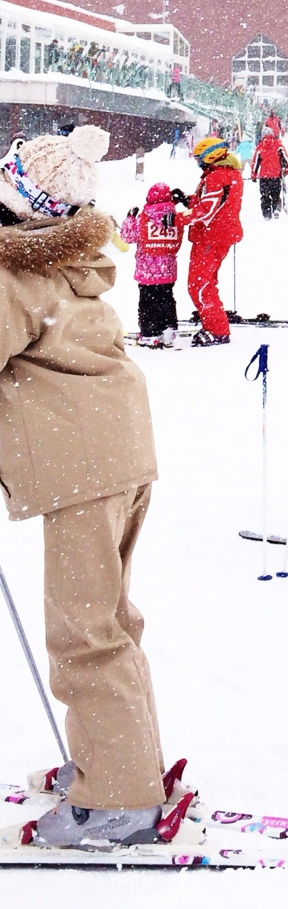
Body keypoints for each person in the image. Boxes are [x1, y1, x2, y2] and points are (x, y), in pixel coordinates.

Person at [0, 126, 169, 849]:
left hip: (81, 471)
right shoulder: (79, 260)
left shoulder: (14, 274)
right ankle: (126, 761)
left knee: (85, 633)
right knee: (108, 620)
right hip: (119, 457)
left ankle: (119, 798)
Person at [186, 135, 244, 345]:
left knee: (199, 284)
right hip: (217, 234)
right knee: (206, 281)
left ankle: (217, 329)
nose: (198, 163)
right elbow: (210, 201)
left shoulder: (217, 176)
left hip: (211, 235)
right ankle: (212, 317)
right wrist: (186, 200)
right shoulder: (227, 174)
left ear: (210, 156)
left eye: (199, 158)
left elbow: (205, 210)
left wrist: (176, 219)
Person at [119, 183, 188, 347]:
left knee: (148, 302)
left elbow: (128, 237)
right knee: (167, 299)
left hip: (147, 271)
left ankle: (150, 332)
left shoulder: (144, 218)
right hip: (169, 270)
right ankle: (168, 328)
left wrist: (130, 218)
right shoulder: (175, 219)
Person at [251, 127, 288, 218]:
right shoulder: (278, 145)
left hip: (264, 176)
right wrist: (286, 169)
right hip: (276, 175)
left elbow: (256, 162)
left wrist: (254, 174)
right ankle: (276, 208)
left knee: (265, 195)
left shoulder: (260, 146)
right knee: (275, 193)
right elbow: (286, 159)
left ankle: (266, 212)